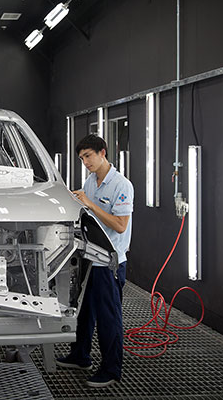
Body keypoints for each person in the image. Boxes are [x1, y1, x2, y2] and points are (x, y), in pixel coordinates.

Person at [56, 134, 134, 387]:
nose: (85, 162)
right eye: (81, 158)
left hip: (109, 262)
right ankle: (81, 355)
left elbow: (120, 226)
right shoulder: (91, 180)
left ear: (103, 152)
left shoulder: (121, 185)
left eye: (88, 156)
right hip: (89, 257)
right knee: (84, 311)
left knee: (108, 317)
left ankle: (111, 369)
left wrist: (89, 203)